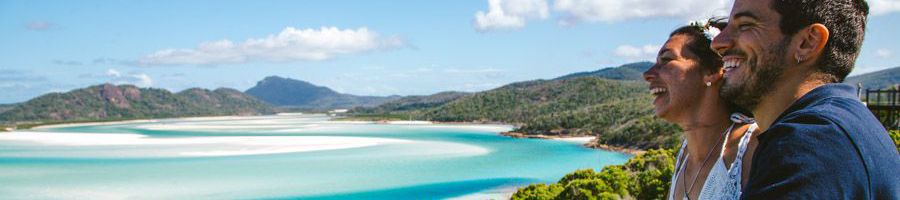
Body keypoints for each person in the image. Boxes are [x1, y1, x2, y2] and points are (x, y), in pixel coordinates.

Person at [710, 0, 900, 199]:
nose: (718, 43)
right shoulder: (837, 125)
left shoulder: (811, 143)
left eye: (745, 25)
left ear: (808, 42)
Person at [643, 22, 758, 200]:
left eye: (666, 60)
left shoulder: (754, 148)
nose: (648, 74)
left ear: (712, 71)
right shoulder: (684, 156)